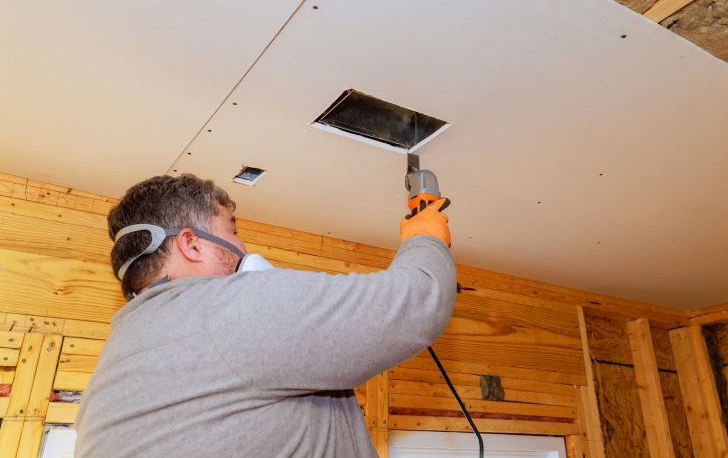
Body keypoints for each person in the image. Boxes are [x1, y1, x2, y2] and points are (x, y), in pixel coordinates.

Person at [75, 173, 455, 457]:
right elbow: (416, 301)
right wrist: (427, 236)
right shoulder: (227, 308)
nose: (242, 247)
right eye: (232, 232)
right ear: (191, 243)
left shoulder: (118, 357)